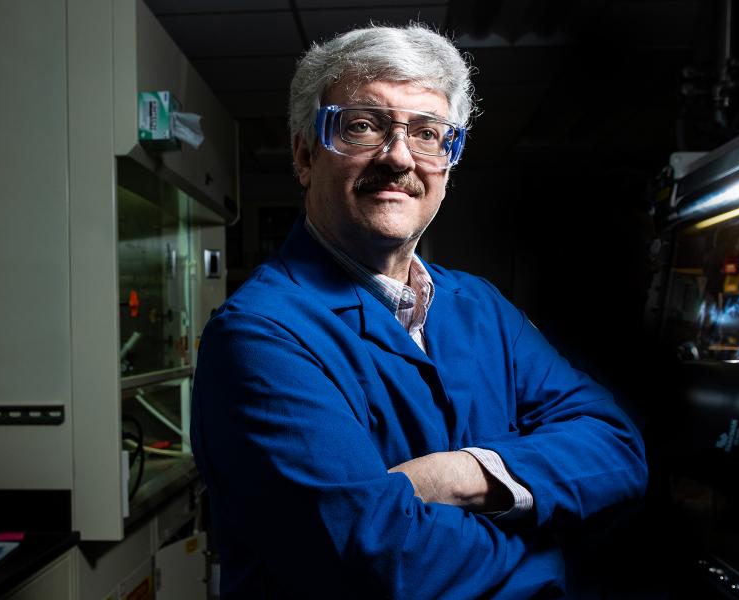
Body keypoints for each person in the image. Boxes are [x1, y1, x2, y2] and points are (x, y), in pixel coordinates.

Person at [191, 23, 647, 599]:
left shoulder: (479, 305)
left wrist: (458, 476)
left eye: (428, 133)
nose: (400, 156)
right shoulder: (259, 336)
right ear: (305, 154)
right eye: (362, 126)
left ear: (447, 165)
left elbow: (617, 448)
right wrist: (558, 558)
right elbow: (381, 562)